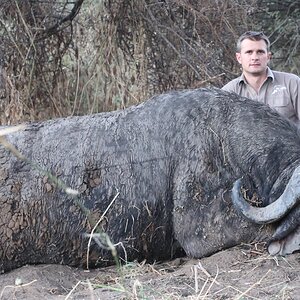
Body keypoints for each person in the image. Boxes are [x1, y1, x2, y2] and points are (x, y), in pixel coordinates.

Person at [222, 31, 300, 127]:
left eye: (260, 52)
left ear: (268, 57)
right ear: (239, 58)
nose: (255, 57)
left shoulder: (292, 83)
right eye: (249, 52)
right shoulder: (228, 92)